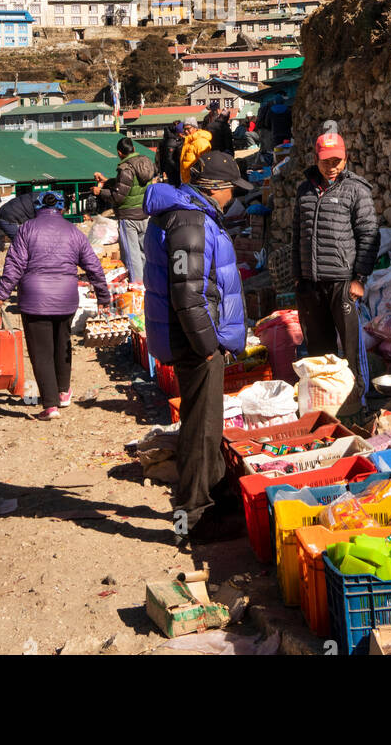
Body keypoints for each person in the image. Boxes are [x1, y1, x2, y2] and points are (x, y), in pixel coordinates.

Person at [143, 151, 248, 546]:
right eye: (231, 190)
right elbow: (188, 294)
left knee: (203, 423)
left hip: (189, 338)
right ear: (216, 188)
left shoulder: (183, 214)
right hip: (194, 341)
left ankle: (216, 499)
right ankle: (192, 521)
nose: (232, 197)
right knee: (201, 429)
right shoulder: (190, 220)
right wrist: (208, 346)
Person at [0, 191, 111, 419]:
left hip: (35, 299)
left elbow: (15, 264)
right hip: (66, 299)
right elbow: (93, 265)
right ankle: (63, 393)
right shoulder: (73, 232)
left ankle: (50, 405)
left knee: (41, 352)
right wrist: (103, 296)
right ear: (63, 208)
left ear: (36, 207)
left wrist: (1, 293)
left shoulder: (26, 229)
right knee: (62, 343)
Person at [291, 131, 379, 406]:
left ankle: (358, 402)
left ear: (346, 158)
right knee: (319, 353)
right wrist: (298, 277)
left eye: (338, 160)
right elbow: (297, 236)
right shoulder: (304, 192)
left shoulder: (356, 190)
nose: (333, 166)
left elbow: (369, 235)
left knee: (351, 351)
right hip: (310, 285)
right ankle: (326, 405)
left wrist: (359, 278)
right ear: (316, 159)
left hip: (343, 284)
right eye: (327, 161)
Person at [91, 136, 157, 284]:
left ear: (120, 153)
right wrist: (107, 181)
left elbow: (118, 196)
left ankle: (137, 287)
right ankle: (148, 284)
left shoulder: (126, 168)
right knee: (144, 253)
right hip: (145, 214)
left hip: (129, 217)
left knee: (132, 256)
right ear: (133, 149)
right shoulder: (145, 163)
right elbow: (128, 185)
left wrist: (99, 192)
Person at [179, 118, 213, 184]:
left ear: (195, 128)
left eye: (188, 128)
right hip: (188, 181)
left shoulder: (201, 142)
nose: (186, 131)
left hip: (196, 182)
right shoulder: (188, 142)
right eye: (185, 129)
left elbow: (205, 164)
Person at [157, 122, 184, 186]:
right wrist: (179, 167)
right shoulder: (172, 141)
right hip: (173, 170)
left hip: (172, 169)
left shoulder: (173, 140)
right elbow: (170, 159)